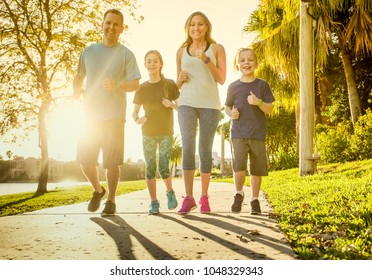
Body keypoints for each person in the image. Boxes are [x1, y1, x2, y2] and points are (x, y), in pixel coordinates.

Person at [72, 9, 141, 216]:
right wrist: (75, 92)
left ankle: (111, 200)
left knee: (111, 163)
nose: (111, 27)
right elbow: (78, 76)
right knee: (85, 161)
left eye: (116, 24)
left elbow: (136, 84)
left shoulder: (126, 54)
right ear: (102, 25)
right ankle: (98, 190)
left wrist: (118, 85)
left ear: (121, 28)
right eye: (108, 23)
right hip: (89, 117)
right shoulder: (89, 52)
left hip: (114, 117)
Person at [176, 11, 226, 215]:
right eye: (192, 25)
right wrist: (180, 78)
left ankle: (204, 197)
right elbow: (176, 86)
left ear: (207, 27)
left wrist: (206, 59)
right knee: (187, 146)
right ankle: (189, 198)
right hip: (186, 102)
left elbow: (221, 79)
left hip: (209, 105)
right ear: (188, 28)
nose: (196, 28)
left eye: (200, 24)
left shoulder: (216, 48)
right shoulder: (181, 51)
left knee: (204, 148)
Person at [225, 48, 275, 215]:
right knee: (238, 167)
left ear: (256, 64)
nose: (246, 62)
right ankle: (238, 194)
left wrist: (258, 102)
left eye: (250, 60)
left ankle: (254, 199)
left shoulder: (262, 85)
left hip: (257, 133)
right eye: (242, 60)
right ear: (238, 65)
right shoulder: (233, 87)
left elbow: (270, 109)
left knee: (256, 169)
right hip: (238, 132)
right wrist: (231, 113)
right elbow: (227, 107)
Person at [132, 50, 180, 215]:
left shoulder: (169, 84)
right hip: (148, 132)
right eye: (149, 61)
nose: (152, 64)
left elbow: (181, 106)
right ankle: (153, 202)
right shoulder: (141, 88)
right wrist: (138, 120)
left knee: (164, 166)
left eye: (155, 61)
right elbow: (134, 113)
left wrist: (172, 104)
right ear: (145, 65)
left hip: (166, 130)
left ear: (161, 64)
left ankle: (170, 192)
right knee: (150, 168)